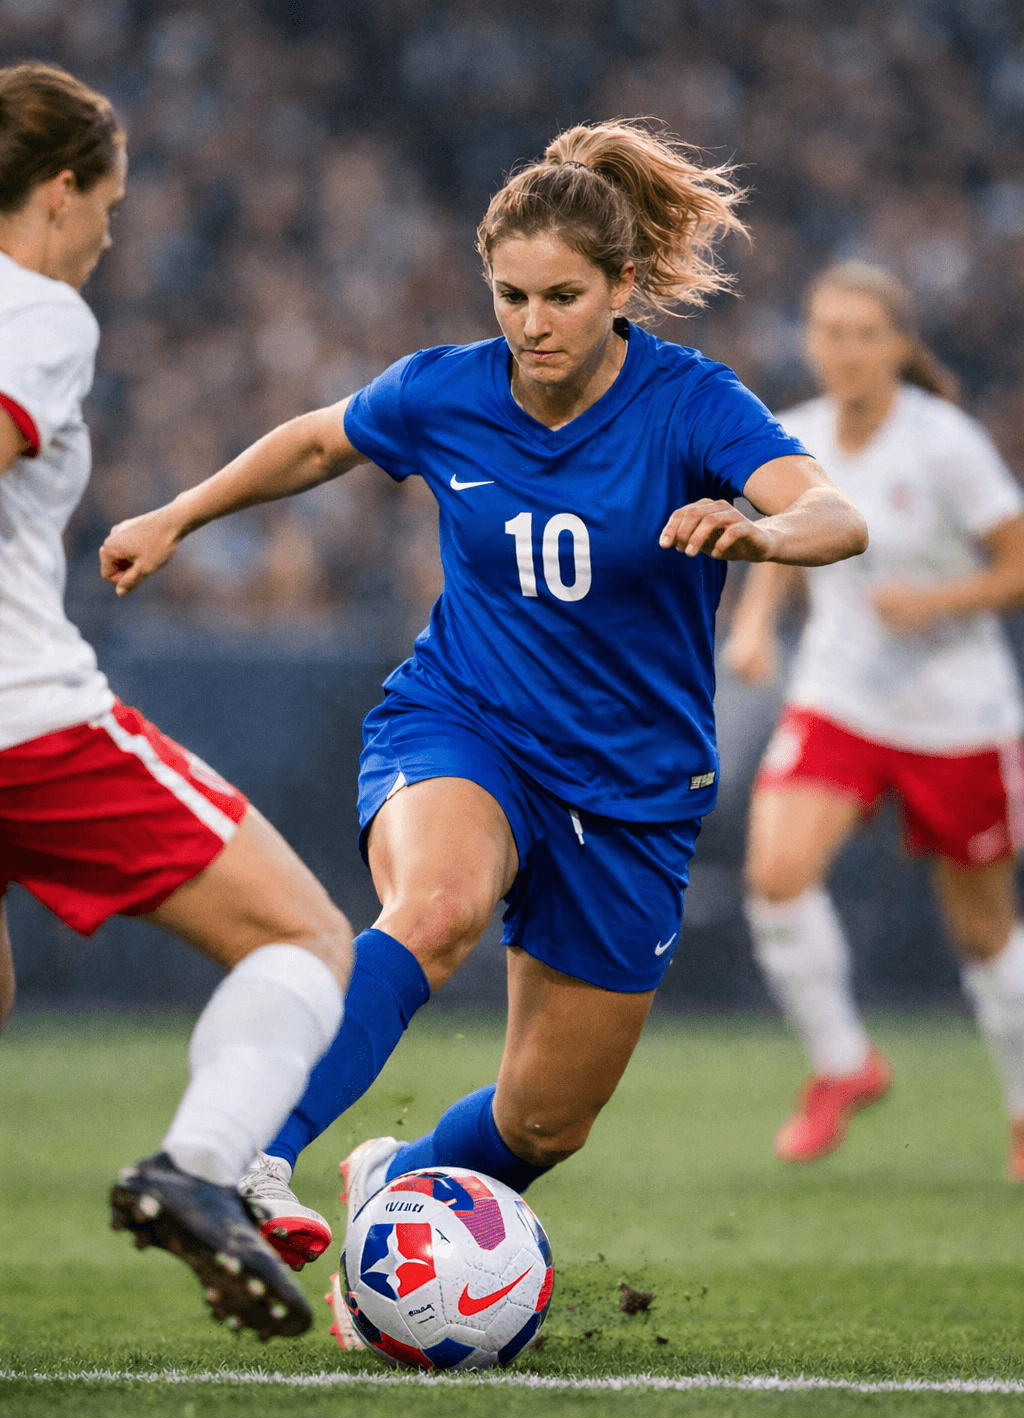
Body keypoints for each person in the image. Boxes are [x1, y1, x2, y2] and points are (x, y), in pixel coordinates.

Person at [101, 119, 867, 1266]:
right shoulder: (444, 393)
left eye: (560, 295)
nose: (530, 322)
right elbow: (317, 445)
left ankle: (394, 1186)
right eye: (509, 294)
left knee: (545, 1120)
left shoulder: (690, 405)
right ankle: (245, 1160)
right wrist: (177, 513)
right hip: (466, 722)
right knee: (437, 907)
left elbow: (837, 514)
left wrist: (761, 535)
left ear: (619, 289)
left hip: (631, 789)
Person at [0, 62, 355, 1337]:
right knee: (308, 940)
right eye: (109, 200)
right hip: (25, 724)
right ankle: (200, 1170)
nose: (110, 228)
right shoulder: (37, 310)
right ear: (59, 190)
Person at [726, 261, 1024, 1178]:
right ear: (809, 342)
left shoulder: (946, 444)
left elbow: (1016, 565)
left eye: (864, 333)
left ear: (896, 345)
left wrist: (937, 604)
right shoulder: (801, 435)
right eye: (828, 332)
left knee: (983, 933)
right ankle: (844, 1067)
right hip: (842, 695)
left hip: (956, 713)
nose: (845, 350)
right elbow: (786, 535)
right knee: (776, 875)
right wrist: (754, 625)